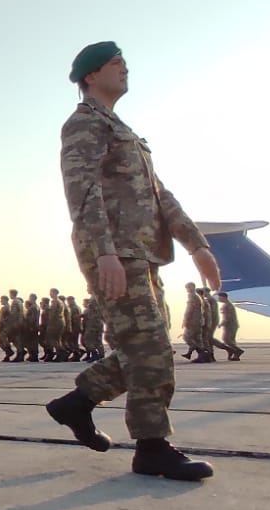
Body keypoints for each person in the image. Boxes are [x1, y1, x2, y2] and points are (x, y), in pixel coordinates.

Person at [44, 41, 219, 481]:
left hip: (141, 254)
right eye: (115, 63)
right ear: (91, 75)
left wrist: (197, 245)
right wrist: (104, 252)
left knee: (146, 348)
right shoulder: (84, 124)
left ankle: (78, 403)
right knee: (150, 347)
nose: (125, 68)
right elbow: (81, 191)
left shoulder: (122, 130)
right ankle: (152, 447)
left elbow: (160, 195)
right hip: (114, 253)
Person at [180, 282, 208, 363]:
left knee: (186, 337)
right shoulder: (198, 296)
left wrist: (185, 320)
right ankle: (201, 357)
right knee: (198, 339)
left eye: (188, 288)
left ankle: (202, 352)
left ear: (192, 287)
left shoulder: (192, 296)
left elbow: (189, 310)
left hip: (193, 321)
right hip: (199, 321)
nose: (187, 290)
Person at [217, 292, 243, 360]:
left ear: (224, 297)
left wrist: (221, 324)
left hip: (230, 325)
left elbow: (227, 317)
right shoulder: (228, 305)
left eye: (219, 297)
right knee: (231, 340)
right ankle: (235, 355)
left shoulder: (227, 306)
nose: (218, 299)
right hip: (232, 325)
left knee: (226, 339)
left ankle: (238, 351)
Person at [0, 294, 14, 361]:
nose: (1, 301)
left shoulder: (6, 308)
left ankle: (9, 351)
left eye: (2, 300)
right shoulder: (7, 307)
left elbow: (7, 318)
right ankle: (8, 353)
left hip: (4, 326)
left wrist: (2, 324)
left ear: (5, 300)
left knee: (2, 339)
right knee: (1, 340)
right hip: (4, 326)